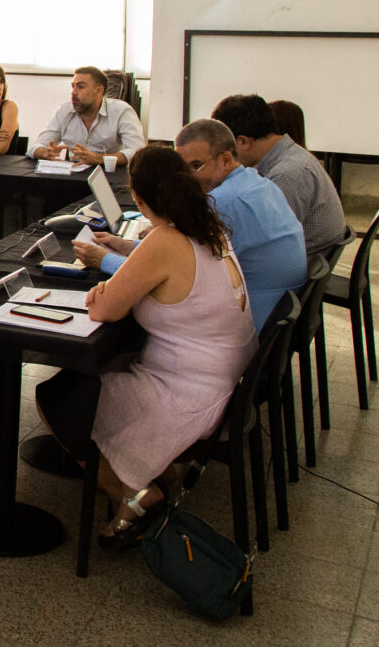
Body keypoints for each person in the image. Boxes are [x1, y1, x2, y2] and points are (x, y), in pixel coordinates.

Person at [35, 146, 256, 547]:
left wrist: (105, 288)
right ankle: (152, 471)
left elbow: (103, 308)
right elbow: (172, 267)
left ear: (138, 199)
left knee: (59, 397)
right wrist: (126, 256)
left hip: (189, 395)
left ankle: (131, 495)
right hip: (224, 384)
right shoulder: (208, 228)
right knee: (104, 370)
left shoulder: (164, 241)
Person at [74, 119, 307, 331]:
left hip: (252, 322)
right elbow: (178, 256)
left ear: (225, 159)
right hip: (272, 312)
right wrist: (129, 246)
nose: (186, 179)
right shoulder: (255, 181)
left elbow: (167, 267)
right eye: (181, 170)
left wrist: (105, 259)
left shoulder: (221, 202)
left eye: (195, 166)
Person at [211, 94, 348, 258]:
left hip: (300, 264)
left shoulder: (286, 175)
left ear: (243, 142)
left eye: (225, 149)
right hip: (309, 258)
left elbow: (265, 239)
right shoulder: (291, 155)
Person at [32, 66, 145, 165]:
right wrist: (44, 152)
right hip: (74, 172)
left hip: (109, 173)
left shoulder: (121, 111)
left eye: (80, 87)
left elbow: (138, 152)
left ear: (99, 91)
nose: (73, 92)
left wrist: (98, 158)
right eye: (73, 86)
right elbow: (36, 146)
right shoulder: (64, 111)